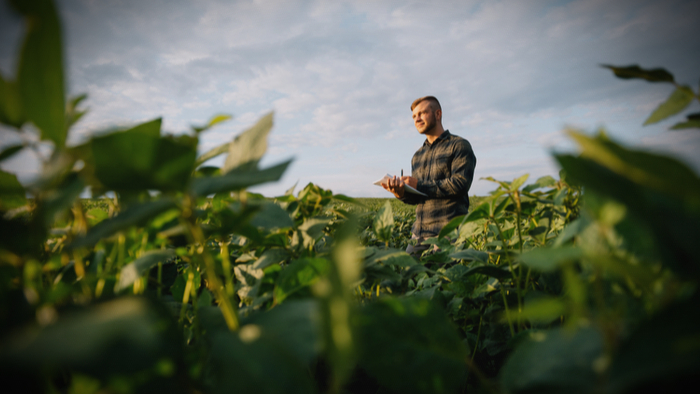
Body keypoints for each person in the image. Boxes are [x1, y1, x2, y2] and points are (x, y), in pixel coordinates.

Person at [382, 96, 476, 256]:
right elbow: (419, 197)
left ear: (438, 114)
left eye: (422, 113)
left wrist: (418, 184)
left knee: (445, 278)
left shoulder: (459, 145)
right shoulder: (417, 156)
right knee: (410, 276)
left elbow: (460, 184)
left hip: (449, 232)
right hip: (419, 234)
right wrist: (402, 193)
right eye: (414, 116)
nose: (417, 119)